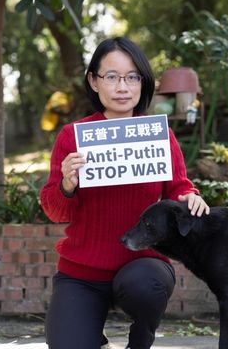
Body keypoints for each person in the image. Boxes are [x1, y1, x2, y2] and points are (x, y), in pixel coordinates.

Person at [40, 36, 209, 349]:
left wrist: (190, 197)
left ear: (143, 83)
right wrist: (66, 184)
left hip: (143, 265)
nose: (123, 87)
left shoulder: (159, 135)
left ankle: (140, 340)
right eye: (112, 77)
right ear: (93, 81)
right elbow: (54, 209)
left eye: (133, 77)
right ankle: (95, 337)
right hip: (82, 272)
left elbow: (178, 186)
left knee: (146, 286)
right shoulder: (72, 137)